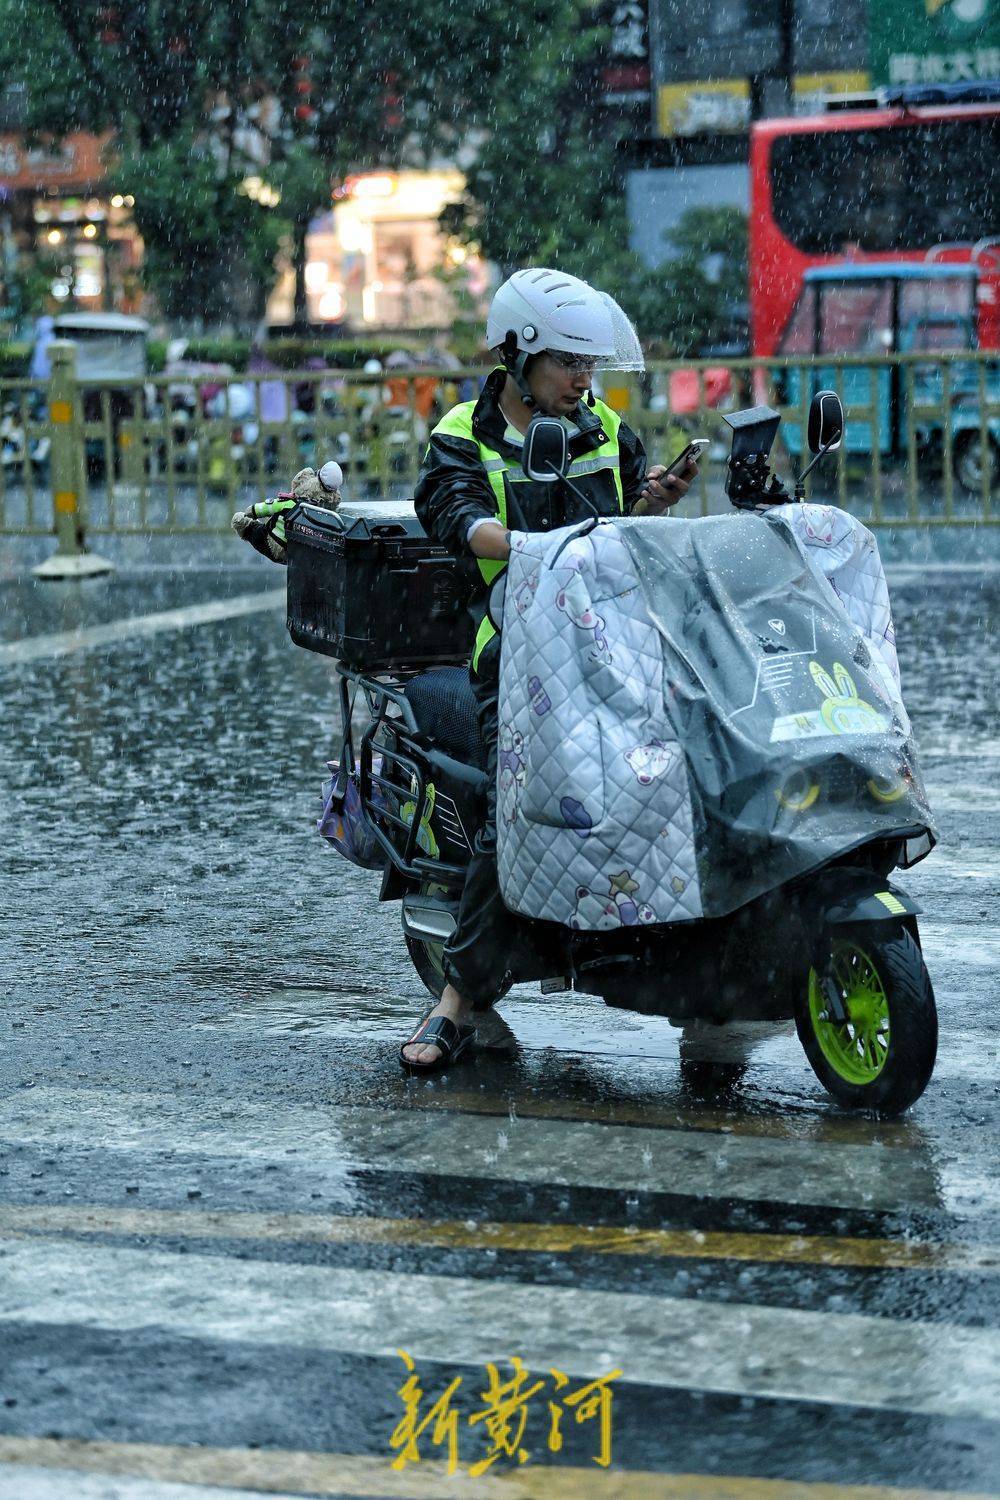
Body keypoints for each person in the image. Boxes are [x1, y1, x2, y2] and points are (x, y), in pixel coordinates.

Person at [401, 267, 698, 1072]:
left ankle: (705, 987)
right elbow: (456, 518)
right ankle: (456, 1001)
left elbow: (623, 520)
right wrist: (527, 545)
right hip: (519, 649)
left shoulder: (603, 427)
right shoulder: (463, 433)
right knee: (523, 810)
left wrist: (656, 499)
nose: (583, 379)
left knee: (698, 766)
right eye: (568, 362)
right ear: (521, 354)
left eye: (589, 364)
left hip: (615, 643)